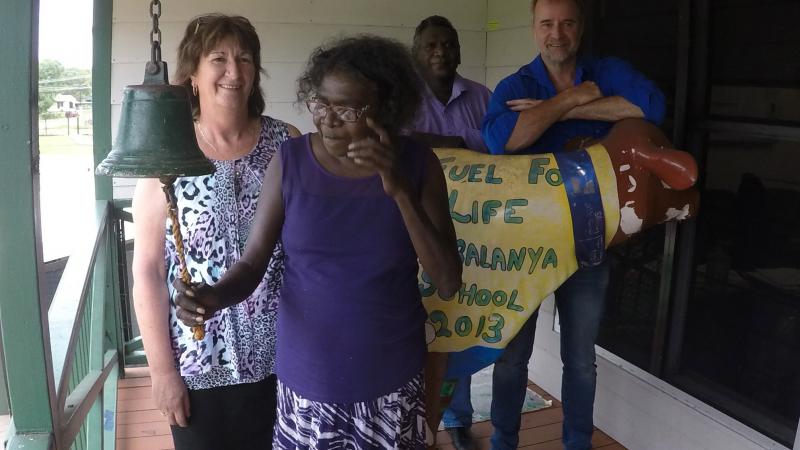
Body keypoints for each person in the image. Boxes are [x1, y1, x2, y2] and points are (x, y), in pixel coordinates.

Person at [173, 35, 462, 449]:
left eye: (346, 108)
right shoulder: (290, 161)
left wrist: (399, 190)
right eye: (320, 103)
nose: (327, 118)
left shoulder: (418, 165)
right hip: (308, 383)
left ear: (385, 107)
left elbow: (448, 280)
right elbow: (253, 263)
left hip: (390, 380)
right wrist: (214, 296)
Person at [443, 1, 667, 450]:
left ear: (580, 27)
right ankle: (505, 442)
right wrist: (572, 98)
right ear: (533, 29)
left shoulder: (607, 69)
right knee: (511, 357)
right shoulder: (515, 84)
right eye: (547, 24)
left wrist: (554, 112)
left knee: (581, 360)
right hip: (523, 246)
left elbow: (651, 107)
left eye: (566, 23)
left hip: (588, 242)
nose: (557, 33)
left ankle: (576, 444)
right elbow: (502, 139)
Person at [131, 14, 300, 450]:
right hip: (198, 362)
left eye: (245, 58)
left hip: (285, 357)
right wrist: (162, 372)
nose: (234, 71)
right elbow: (148, 271)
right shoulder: (165, 153)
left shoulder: (287, 143)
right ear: (192, 75)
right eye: (219, 58)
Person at [410, 15, 491, 152]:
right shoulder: (403, 100)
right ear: (415, 56)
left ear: (459, 54)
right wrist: (442, 142)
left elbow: (504, 143)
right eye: (431, 46)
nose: (441, 52)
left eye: (448, 45)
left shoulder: (484, 97)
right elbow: (392, 142)